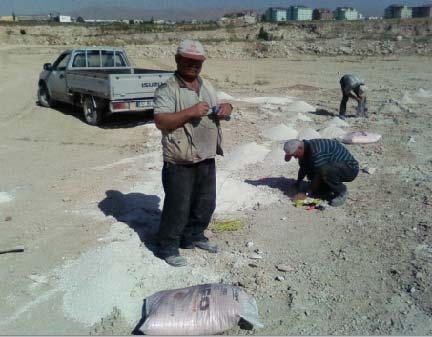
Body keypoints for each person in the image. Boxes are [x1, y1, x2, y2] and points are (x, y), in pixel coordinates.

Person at [153, 39, 233, 267]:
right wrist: (190, 111)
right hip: (180, 160)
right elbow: (160, 120)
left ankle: (194, 236)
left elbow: (219, 110)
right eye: (188, 61)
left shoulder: (206, 86)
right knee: (178, 205)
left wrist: (226, 110)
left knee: (205, 203)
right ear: (178, 60)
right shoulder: (168, 88)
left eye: (198, 62)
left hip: (206, 156)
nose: (193, 65)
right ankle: (167, 246)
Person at [283, 138, 359, 207]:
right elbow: (303, 167)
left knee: (324, 171)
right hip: (334, 166)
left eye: (295, 155)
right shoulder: (304, 148)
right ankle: (328, 188)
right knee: (310, 170)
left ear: (300, 148)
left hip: (349, 168)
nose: (295, 157)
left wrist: (308, 192)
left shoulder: (316, 151)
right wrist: (298, 183)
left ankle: (342, 192)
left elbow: (319, 173)